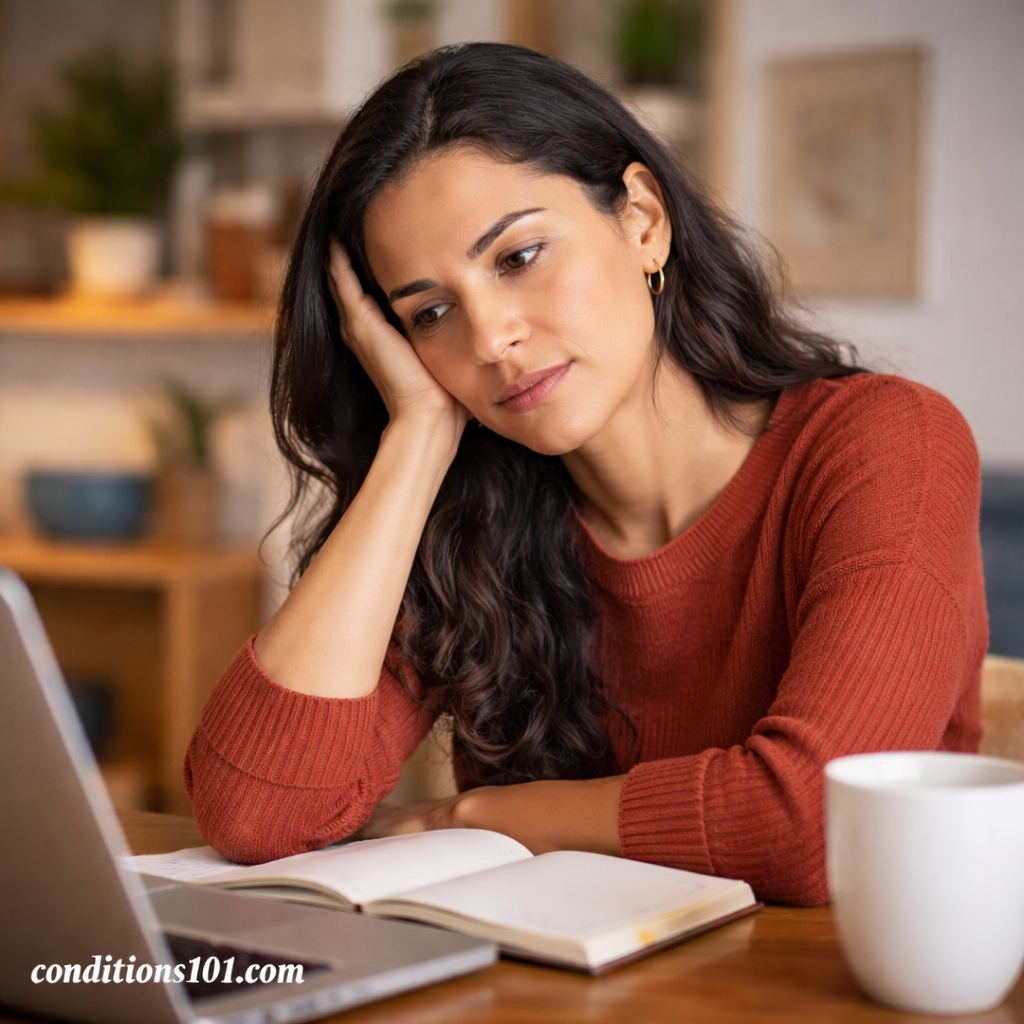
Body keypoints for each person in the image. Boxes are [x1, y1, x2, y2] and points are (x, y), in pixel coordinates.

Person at [184, 44, 987, 906]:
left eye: (518, 258)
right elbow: (252, 812)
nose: (490, 339)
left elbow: (810, 825)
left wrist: (479, 818)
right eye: (432, 312)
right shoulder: (474, 521)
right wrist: (416, 440)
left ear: (642, 219)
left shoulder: (886, 444)